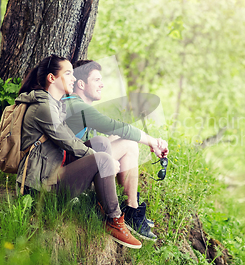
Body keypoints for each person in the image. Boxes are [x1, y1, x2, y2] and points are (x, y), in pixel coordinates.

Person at [15, 54, 142, 249]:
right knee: (103, 159)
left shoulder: (54, 104)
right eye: (68, 74)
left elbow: (73, 139)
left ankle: (101, 201)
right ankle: (115, 219)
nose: (73, 78)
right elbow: (69, 143)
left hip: (53, 172)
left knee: (100, 142)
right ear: (52, 78)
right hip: (41, 189)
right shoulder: (44, 107)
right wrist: (104, 160)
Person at [63, 59, 169, 241]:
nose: (102, 84)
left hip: (72, 164)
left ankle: (130, 208)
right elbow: (115, 126)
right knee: (128, 144)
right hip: (65, 175)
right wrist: (151, 141)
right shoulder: (77, 106)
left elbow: (104, 136)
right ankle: (131, 210)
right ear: (81, 84)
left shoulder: (74, 104)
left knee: (122, 141)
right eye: (96, 80)